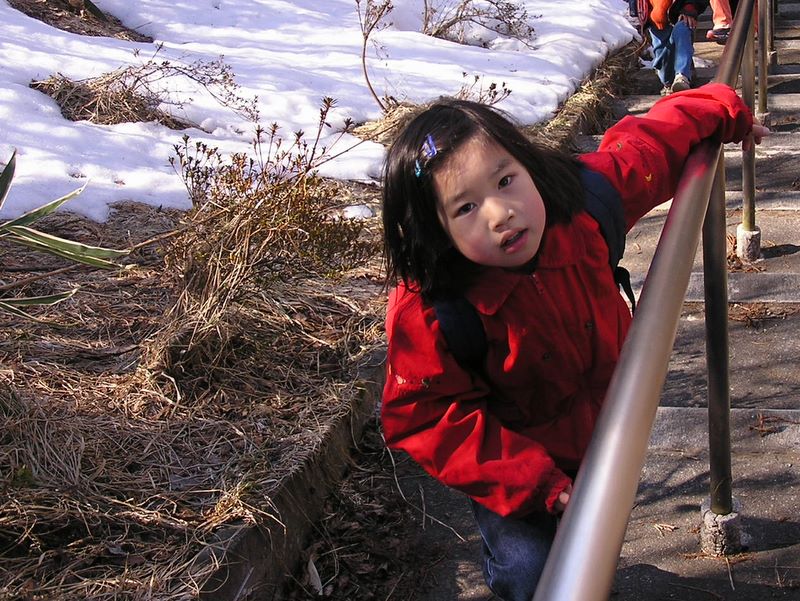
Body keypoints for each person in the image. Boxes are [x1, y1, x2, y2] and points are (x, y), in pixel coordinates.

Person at [380, 83, 768, 601]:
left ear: (529, 166)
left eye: (506, 180)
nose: (500, 213)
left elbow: (648, 146)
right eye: (466, 207)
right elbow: (425, 415)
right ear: (438, 231)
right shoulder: (434, 309)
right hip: (510, 464)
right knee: (533, 573)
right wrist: (534, 482)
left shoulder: (582, 208)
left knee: (586, 539)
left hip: (599, 430)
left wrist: (726, 113)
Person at [639, 0, 709, 94]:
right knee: (665, 75)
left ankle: (682, 76)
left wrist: (690, 7)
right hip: (656, 23)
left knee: (682, 30)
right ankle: (671, 82)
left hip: (682, 13)